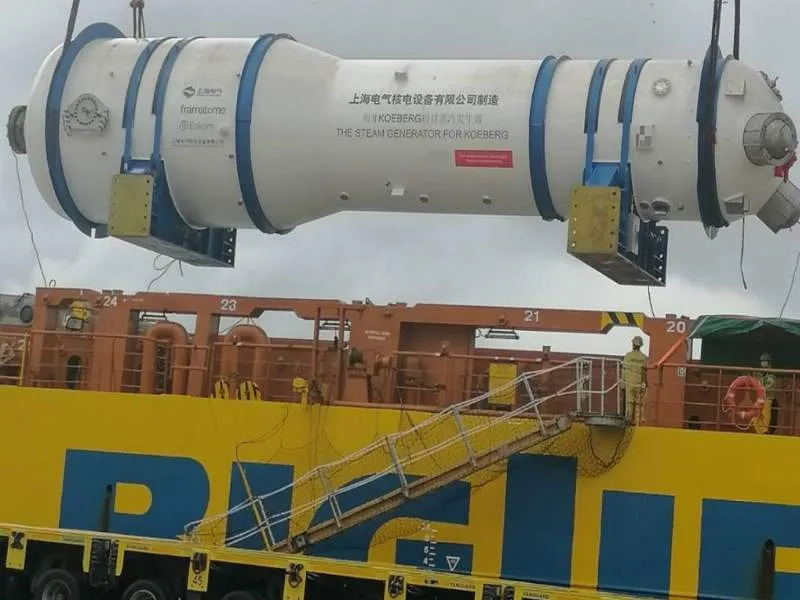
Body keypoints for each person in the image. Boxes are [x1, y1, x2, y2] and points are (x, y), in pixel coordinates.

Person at [621, 335, 648, 424]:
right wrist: (645, 383)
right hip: (639, 383)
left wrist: (622, 383)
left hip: (629, 382)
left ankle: (629, 420)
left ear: (633, 344)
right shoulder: (644, 358)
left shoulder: (628, 356)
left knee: (629, 402)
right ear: (640, 345)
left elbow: (624, 370)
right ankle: (637, 421)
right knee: (638, 403)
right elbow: (645, 372)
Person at [751, 352, 777, 434]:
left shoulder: (771, 375)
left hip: (767, 399)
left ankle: (764, 432)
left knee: (765, 416)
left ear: (769, 362)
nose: (764, 362)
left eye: (765, 361)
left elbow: (770, 385)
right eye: (762, 361)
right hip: (759, 399)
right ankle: (760, 433)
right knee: (755, 418)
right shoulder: (759, 373)